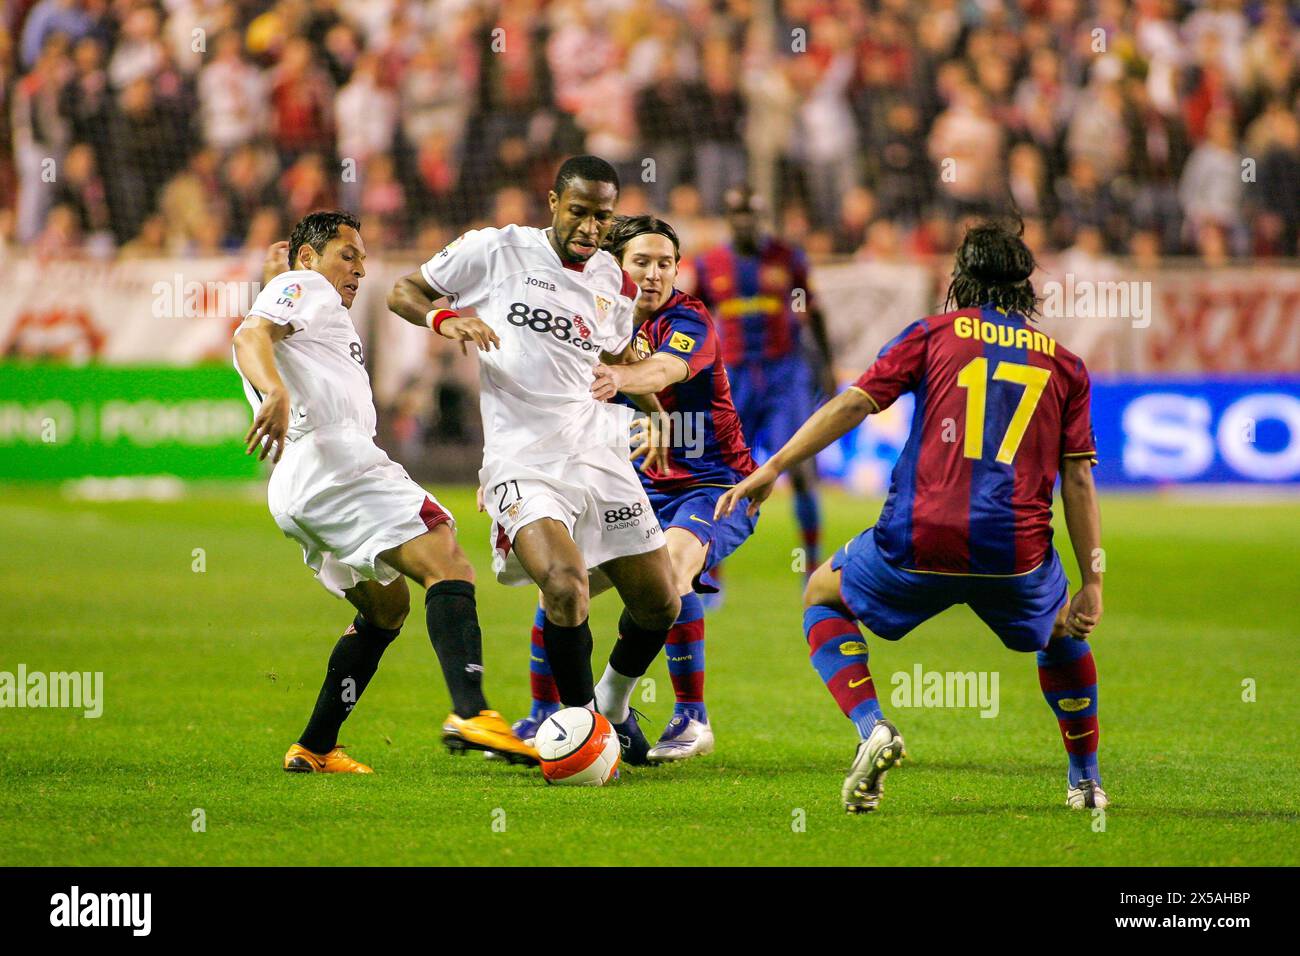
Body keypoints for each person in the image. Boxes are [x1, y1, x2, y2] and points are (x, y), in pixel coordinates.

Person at [717, 221, 1106, 814]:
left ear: (961, 277)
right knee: (1062, 631)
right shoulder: (1066, 365)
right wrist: (1093, 580)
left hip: (920, 538)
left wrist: (774, 466)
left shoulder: (934, 334)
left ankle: (873, 725)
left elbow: (854, 402)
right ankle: (1085, 782)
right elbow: (1078, 478)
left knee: (822, 594)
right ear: (1026, 286)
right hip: (1014, 552)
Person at [386, 156, 682, 764]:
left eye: (603, 216)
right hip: (523, 460)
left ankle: (612, 706)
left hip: (597, 453)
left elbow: (617, 352)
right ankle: (582, 734)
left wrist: (655, 407)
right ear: (552, 202)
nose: (591, 227)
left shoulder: (614, 283)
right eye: (579, 212)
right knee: (566, 584)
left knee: (661, 601)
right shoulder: (496, 250)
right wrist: (446, 318)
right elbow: (403, 292)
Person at [233, 211, 536, 773]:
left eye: (363, 259)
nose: (359, 268)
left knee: (388, 608)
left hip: (299, 484)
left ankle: (316, 746)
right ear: (309, 258)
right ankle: (471, 712)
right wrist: (273, 389)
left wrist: (279, 275)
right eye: (347, 254)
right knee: (445, 555)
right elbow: (250, 334)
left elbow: (270, 321)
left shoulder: (302, 294)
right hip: (336, 462)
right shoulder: (309, 288)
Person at [513, 214, 760, 762]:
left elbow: (667, 369)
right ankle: (542, 717)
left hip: (714, 484)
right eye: (640, 262)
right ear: (616, 267)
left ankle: (683, 716)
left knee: (672, 571)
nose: (653, 274)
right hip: (635, 487)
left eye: (665, 263)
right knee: (562, 581)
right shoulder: (593, 319)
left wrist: (621, 377)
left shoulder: (689, 318)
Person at [693, 186, 836, 582]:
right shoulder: (710, 264)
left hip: (783, 375)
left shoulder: (788, 258)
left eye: (751, 214)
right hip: (734, 377)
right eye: (737, 213)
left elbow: (814, 311)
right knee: (723, 469)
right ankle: (709, 566)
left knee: (801, 468)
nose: (745, 221)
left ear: (761, 217)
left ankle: (811, 561)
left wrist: (827, 367)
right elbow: (694, 316)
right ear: (728, 217)